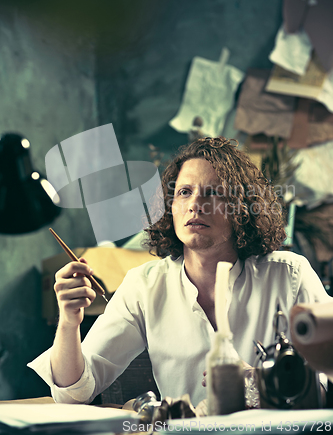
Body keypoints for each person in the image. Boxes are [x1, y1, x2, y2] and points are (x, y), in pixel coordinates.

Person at [28, 137, 332, 406]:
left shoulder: (289, 275)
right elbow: (73, 392)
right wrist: (69, 321)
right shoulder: (145, 286)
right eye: (184, 192)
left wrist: (260, 383)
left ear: (241, 208)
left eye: (214, 193)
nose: (196, 204)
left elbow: (327, 379)